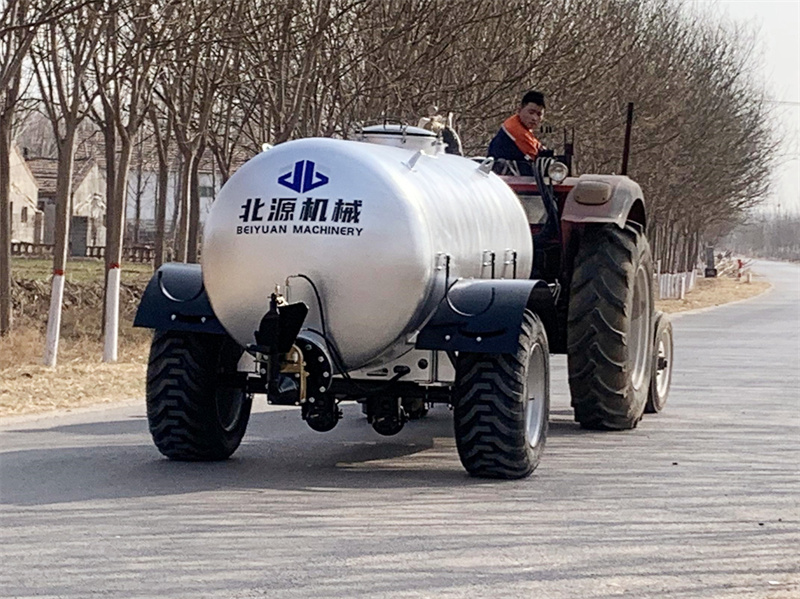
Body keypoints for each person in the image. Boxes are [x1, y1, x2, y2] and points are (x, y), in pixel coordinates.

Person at [487, 90, 546, 163]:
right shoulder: (514, 130)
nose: (535, 118)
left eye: (539, 114)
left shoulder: (522, 127)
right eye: (531, 112)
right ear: (519, 110)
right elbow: (534, 157)